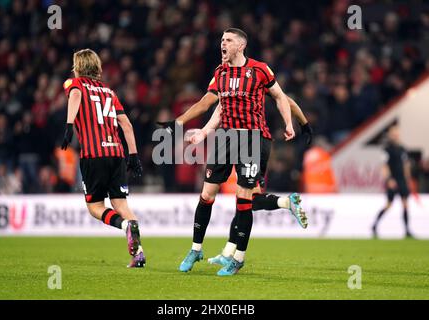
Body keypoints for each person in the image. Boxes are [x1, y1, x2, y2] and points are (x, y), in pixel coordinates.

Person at [159, 28, 303, 276]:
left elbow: (280, 97)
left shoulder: (260, 70)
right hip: (225, 138)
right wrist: (186, 125)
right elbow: (209, 104)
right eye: (221, 40)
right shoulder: (219, 72)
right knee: (207, 194)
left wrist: (289, 123)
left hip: (252, 138)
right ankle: (196, 249)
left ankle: (238, 259)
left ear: (241, 46)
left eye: (228, 41)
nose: (222, 44)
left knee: (244, 199)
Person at [186, 100, 310, 267]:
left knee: (245, 199)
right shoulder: (257, 83)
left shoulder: (254, 79)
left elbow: (209, 104)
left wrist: (298, 124)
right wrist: (304, 124)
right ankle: (228, 253)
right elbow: (288, 101)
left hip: (252, 141)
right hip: (257, 141)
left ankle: (286, 203)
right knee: (246, 200)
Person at [61, 49, 146, 267]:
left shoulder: (75, 84)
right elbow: (126, 124)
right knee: (121, 203)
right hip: (116, 153)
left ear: (77, 66)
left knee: (95, 207)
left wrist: (69, 125)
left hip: (93, 154)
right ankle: (138, 254)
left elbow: (76, 95)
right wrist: (134, 154)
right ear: (97, 66)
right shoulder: (109, 92)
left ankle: (125, 226)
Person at [372, 125, 413, 238]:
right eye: (393, 133)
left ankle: (407, 230)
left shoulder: (403, 149)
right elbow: (384, 166)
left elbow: (406, 165)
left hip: (402, 180)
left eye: (397, 133)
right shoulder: (387, 149)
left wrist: (408, 179)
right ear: (390, 135)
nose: (396, 135)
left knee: (405, 204)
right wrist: (389, 179)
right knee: (389, 204)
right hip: (393, 180)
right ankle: (374, 225)